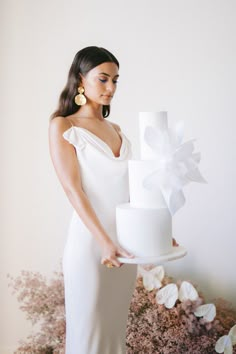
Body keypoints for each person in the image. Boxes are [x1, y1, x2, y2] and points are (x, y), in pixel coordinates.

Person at [48, 46, 137, 354]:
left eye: (115, 80)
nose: (111, 88)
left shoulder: (117, 129)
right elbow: (74, 191)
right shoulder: (64, 125)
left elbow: (131, 191)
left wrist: (155, 233)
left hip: (124, 247)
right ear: (80, 80)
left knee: (113, 334)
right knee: (88, 336)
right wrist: (103, 242)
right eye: (103, 79)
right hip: (90, 247)